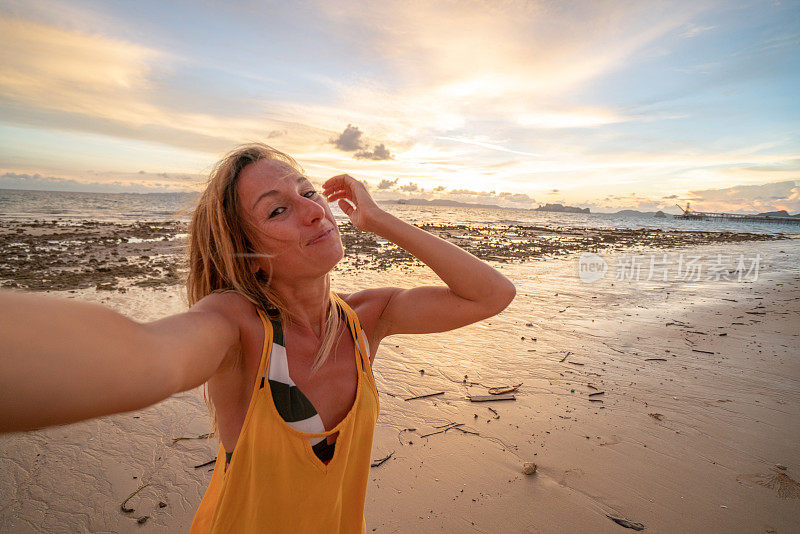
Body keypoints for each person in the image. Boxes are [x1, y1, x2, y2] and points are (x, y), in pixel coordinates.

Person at [0, 143, 516, 532]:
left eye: (308, 192)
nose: (314, 210)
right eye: (277, 210)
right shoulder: (238, 327)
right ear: (243, 250)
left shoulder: (366, 318)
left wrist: (379, 219)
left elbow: (490, 294)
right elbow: (144, 357)